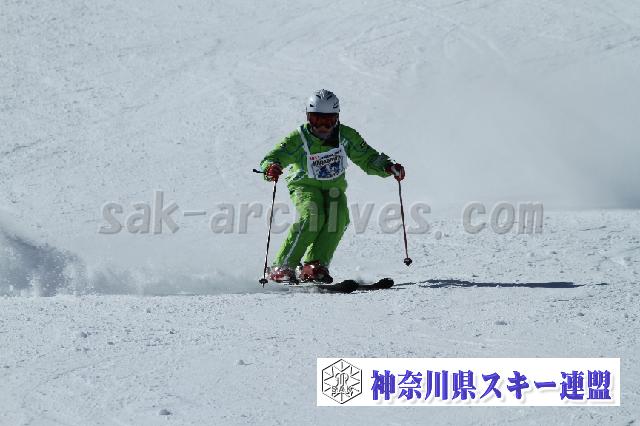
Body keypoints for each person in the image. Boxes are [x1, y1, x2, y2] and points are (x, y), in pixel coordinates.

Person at [260, 89, 405, 283]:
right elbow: (273, 157)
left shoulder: (346, 136)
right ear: (308, 117)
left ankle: (315, 265)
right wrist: (271, 168)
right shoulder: (299, 139)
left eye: (328, 121)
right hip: (304, 185)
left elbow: (367, 157)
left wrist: (387, 166)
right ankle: (283, 266)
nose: (322, 127)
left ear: (337, 118)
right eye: (316, 120)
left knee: (339, 218)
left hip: (333, 187)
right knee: (313, 215)